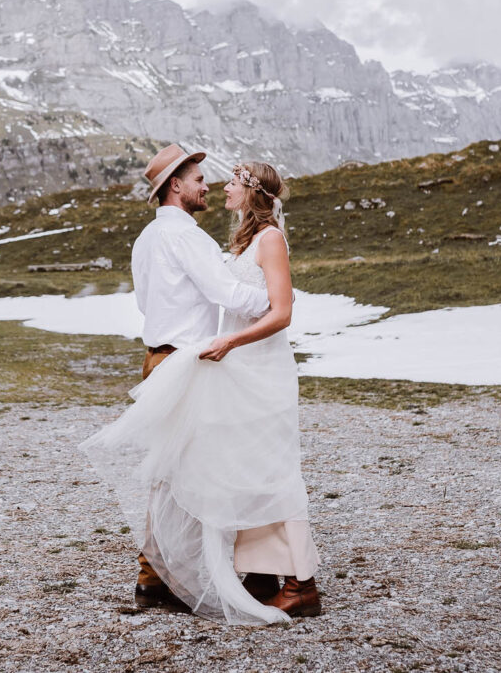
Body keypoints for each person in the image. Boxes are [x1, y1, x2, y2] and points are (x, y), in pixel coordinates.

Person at [81, 150, 321, 624]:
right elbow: (228, 294)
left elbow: (156, 300)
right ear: (176, 186)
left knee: (203, 468)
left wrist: (277, 302)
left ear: (251, 191)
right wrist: (275, 299)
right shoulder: (186, 235)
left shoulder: (151, 236)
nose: (211, 186)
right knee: (194, 471)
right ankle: (178, 576)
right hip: (192, 358)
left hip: (177, 356)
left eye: (229, 181)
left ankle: (219, 575)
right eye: (199, 179)